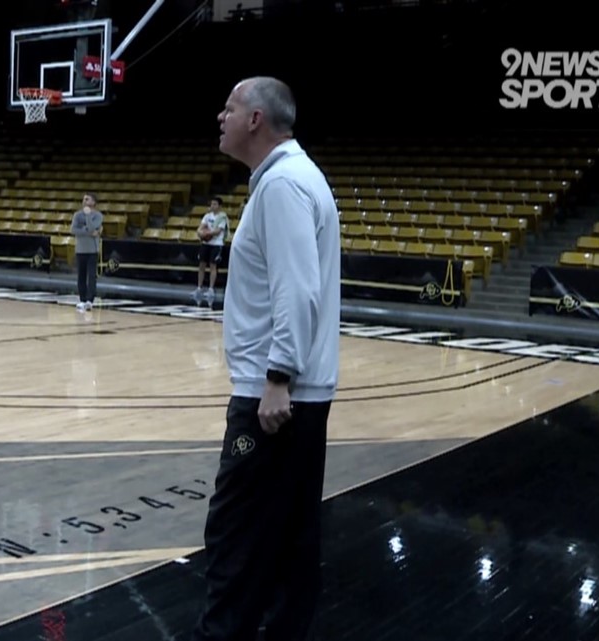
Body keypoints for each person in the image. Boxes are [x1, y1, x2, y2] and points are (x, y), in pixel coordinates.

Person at [192, 76, 341, 641]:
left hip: (272, 398)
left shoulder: (281, 186)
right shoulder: (297, 178)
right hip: (299, 396)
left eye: (229, 107)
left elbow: (297, 289)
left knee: (236, 538)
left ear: (256, 119)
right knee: (291, 544)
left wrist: (277, 377)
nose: (220, 117)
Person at [70, 192, 103, 312]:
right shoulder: (77, 215)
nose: (84, 201)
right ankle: (82, 299)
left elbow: (93, 227)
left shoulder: (98, 216)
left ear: (93, 202)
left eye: (87, 199)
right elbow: (73, 230)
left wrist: (88, 217)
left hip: (92, 250)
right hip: (80, 250)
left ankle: (90, 300)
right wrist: (88, 231)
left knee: (92, 276)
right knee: (81, 276)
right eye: (84, 199)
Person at [194, 196, 229, 304]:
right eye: (211, 204)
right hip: (206, 244)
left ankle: (211, 289)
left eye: (215, 204)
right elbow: (201, 227)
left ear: (219, 206)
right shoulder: (207, 216)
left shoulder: (222, 217)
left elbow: (218, 231)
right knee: (202, 264)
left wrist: (206, 233)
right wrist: (200, 232)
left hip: (216, 244)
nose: (212, 206)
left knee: (213, 265)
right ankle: (199, 288)